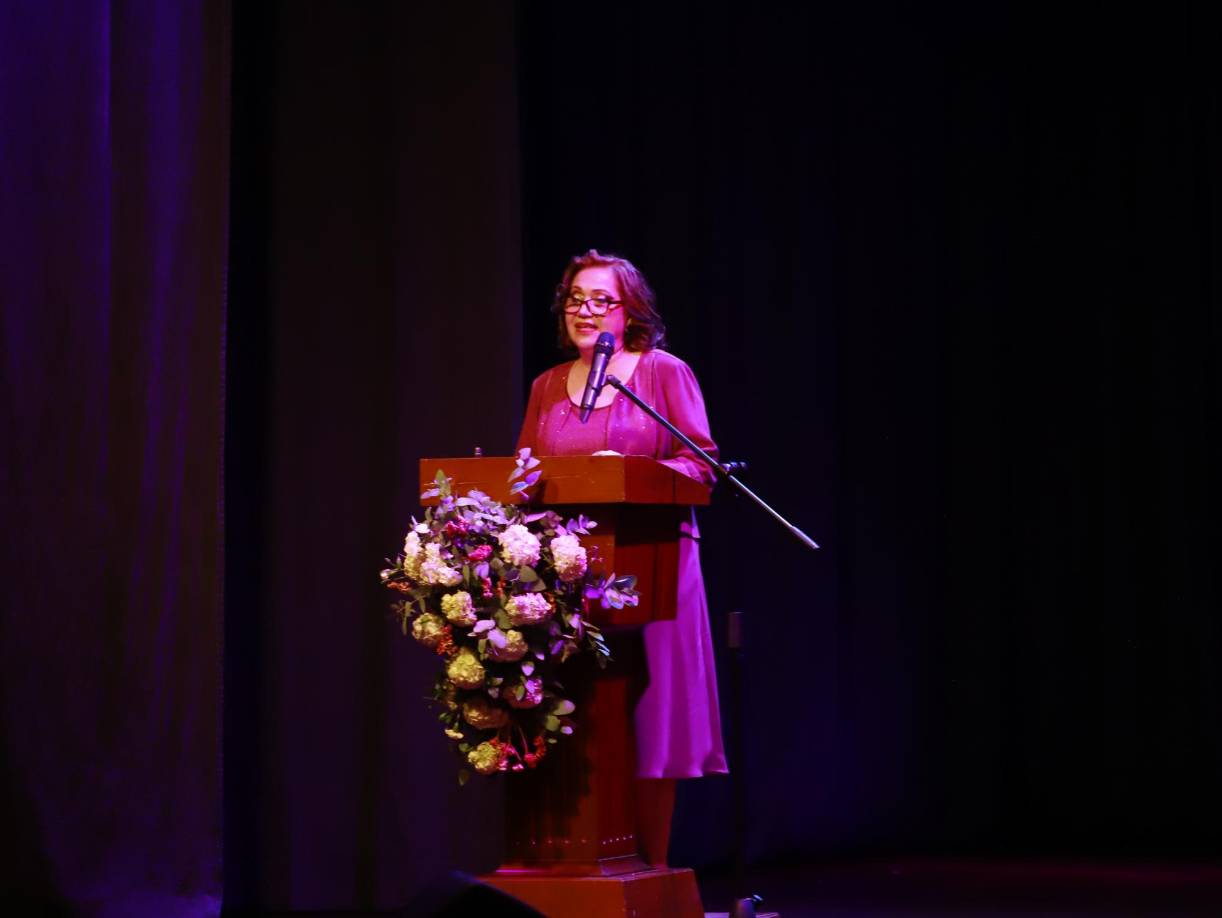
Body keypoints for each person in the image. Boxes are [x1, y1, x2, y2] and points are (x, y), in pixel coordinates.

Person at [516, 249, 727, 866]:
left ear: (629, 308)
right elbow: (524, 473)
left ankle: (651, 866)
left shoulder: (663, 372)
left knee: (653, 720)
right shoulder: (547, 386)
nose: (585, 311)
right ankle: (579, 860)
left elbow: (701, 467)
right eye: (575, 298)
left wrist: (631, 473)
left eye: (600, 299)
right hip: (567, 573)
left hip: (654, 565)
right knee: (578, 713)